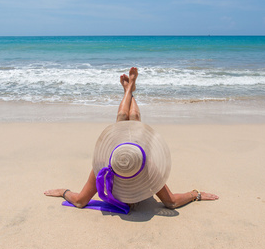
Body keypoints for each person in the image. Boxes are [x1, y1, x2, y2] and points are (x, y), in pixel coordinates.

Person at [44, 67, 218, 213]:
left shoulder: (145, 168)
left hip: (130, 152)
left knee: (128, 116)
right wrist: (195, 194)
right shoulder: (104, 167)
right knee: (131, 117)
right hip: (120, 152)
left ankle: (128, 90)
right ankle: (130, 90)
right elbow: (171, 202)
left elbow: (81, 201)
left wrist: (64, 192)